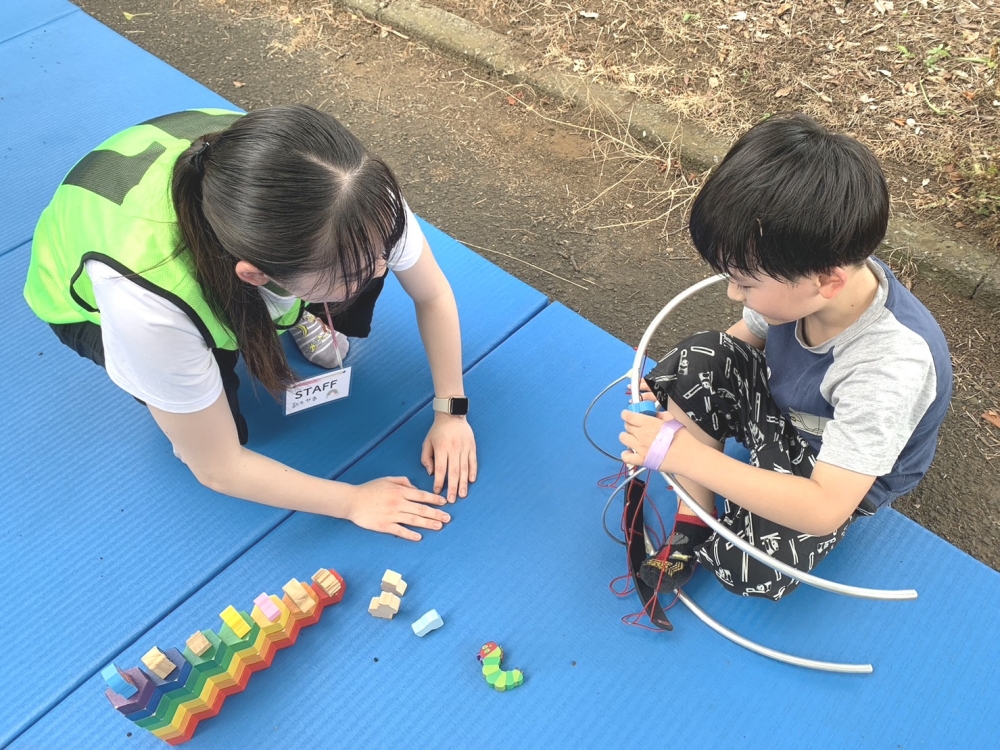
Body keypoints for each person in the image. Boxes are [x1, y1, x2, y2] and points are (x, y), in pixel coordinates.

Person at [24, 105, 476, 541]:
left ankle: (297, 308)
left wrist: (452, 410)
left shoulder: (351, 193)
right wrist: (353, 501)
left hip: (252, 238)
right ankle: (262, 324)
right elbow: (219, 468)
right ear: (257, 274)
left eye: (384, 248)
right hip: (80, 286)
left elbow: (432, 292)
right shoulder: (149, 306)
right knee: (214, 433)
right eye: (353, 270)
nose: (383, 267)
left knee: (343, 281)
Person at [618, 113, 952, 600]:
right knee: (692, 359)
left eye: (747, 283)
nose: (734, 292)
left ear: (827, 281)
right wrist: (685, 382)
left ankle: (718, 500)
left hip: (832, 474)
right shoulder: (808, 280)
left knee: (748, 570)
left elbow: (824, 508)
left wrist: (682, 453)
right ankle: (697, 518)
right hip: (786, 418)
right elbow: (737, 342)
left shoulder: (889, 368)